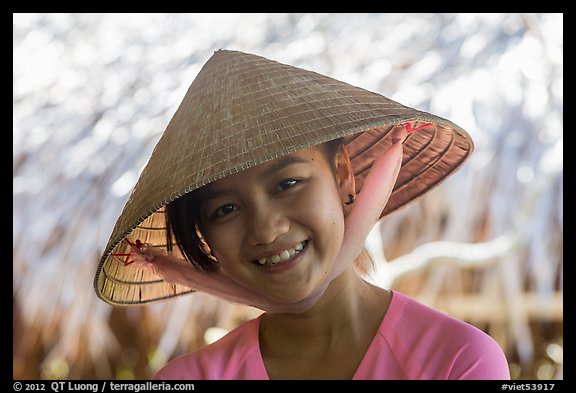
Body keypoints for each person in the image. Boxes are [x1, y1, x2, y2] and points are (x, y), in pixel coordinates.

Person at [94, 50, 510, 380]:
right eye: (225, 209)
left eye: (288, 184)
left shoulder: (456, 361)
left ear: (344, 177)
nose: (266, 227)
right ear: (204, 237)